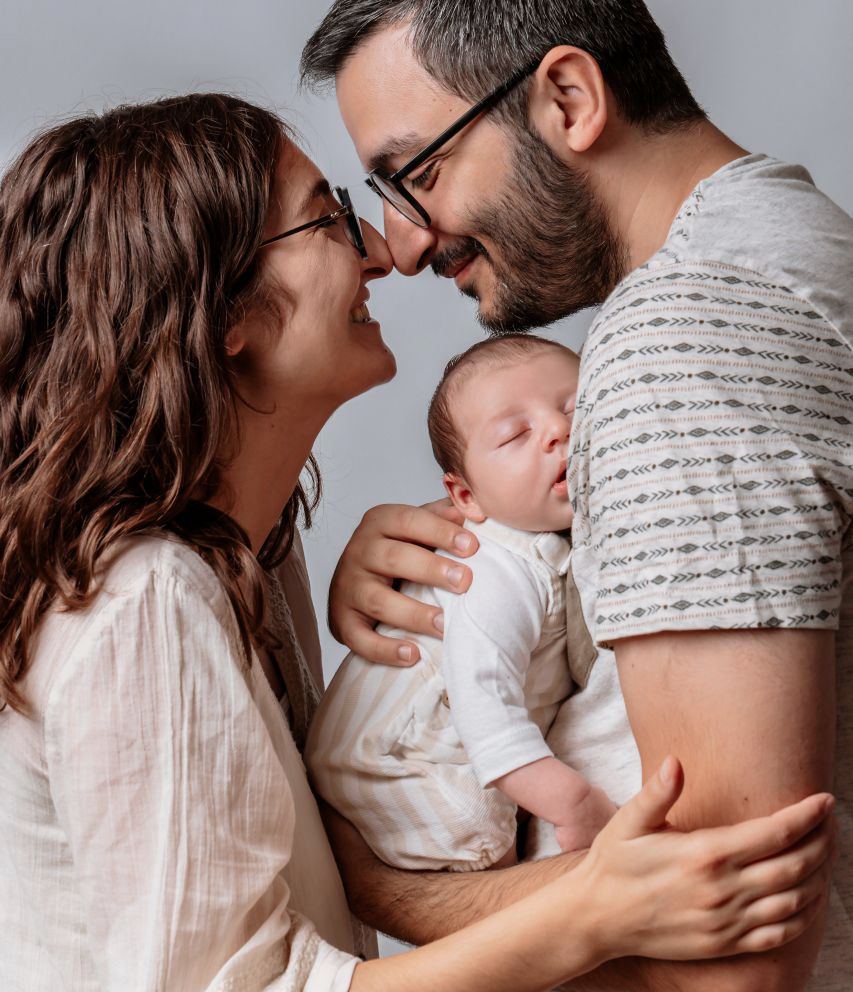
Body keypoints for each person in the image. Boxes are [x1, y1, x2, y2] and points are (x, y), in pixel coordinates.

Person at [0, 94, 834, 992]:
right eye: (327, 218)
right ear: (222, 311)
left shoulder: (250, 559)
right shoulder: (147, 594)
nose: (382, 251)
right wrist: (591, 911)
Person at [300, 0, 853, 990]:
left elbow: (733, 947)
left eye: (418, 173)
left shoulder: (675, 343)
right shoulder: (792, 236)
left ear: (565, 96)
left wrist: (377, 883)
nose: (403, 246)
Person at [306, 333, 617, 871]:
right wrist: (573, 803)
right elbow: (483, 704)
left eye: (575, 407)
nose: (559, 430)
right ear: (467, 497)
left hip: (426, 749)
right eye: (516, 434)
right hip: (399, 762)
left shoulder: (557, 546)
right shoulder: (495, 569)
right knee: (490, 858)